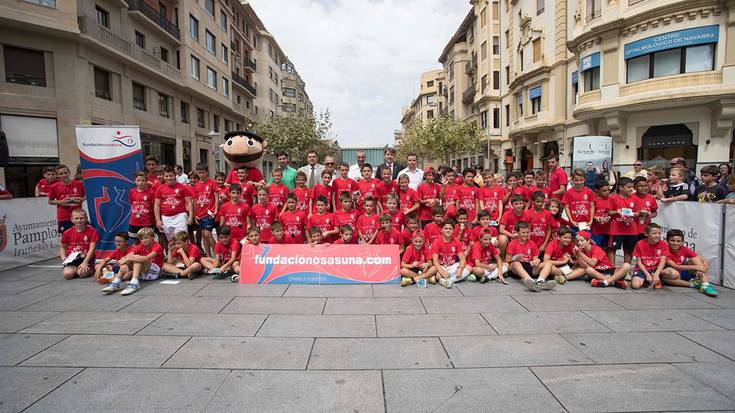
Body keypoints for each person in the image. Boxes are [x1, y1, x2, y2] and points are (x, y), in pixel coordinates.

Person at [102, 227, 163, 295]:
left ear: (152, 237)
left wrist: (127, 259)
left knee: (137, 258)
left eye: (146, 238)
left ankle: (134, 284)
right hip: (144, 272)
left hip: (156, 272)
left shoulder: (157, 246)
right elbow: (127, 256)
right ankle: (116, 282)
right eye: (142, 239)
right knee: (131, 258)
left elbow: (146, 258)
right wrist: (125, 263)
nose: (144, 240)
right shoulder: (141, 246)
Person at [664, 229, 718, 296]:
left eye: (678, 241)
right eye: (672, 240)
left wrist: (701, 268)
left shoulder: (684, 249)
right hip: (672, 275)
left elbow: (703, 260)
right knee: (670, 276)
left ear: (682, 242)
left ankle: (705, 285)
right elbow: (675, 266)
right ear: (667, 241)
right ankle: (694, 284)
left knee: (697, 261)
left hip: (683, 272)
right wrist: (698, 267)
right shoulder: (665, 250)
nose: (675, 243)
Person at [505, 221, 554, 291]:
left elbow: (535, 258)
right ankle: (531, 281)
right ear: (517, 232)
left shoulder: (532, 243)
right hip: (517, 269)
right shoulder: (512, 244)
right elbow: (507, 260)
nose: (526, 234)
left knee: (548, 263)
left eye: (527, 232)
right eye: (523, 233)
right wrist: (514, 258)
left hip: (530, 266)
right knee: (515, 263)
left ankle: (540, 281)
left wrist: (537, 260)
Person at [631, 223, 677, 290]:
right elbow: (639, 262)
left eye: (659, 233)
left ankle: (656, 279)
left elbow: (662, 262)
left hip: (657, 269)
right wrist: (647, 274)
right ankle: (649, 280)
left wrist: (656, 274)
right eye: (654, 233)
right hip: (644, 269)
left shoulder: (663, 244)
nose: (657, 235)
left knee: (675, 274)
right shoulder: (640, 243)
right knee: (635, 286)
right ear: (646, 234)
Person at [59, 209, 98, 280]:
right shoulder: (67, 232)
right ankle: (75, 269)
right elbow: (62, 247)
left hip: (86, 258)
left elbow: (92, 248)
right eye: (76, 218)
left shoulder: (92, 231)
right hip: (72, 259)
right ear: (72, 219)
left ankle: (92, 268)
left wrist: (85, 262)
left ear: (86, 219)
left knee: (82, 274)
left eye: (81, 218)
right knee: (67, 274)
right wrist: (64, 259)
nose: (79, 220)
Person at [432, 219, 470, 288]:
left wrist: (460, 268)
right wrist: (443, 272)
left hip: (452, 266)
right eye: (446, 228)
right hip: (442, 266)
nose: (448, 230)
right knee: (437, 275)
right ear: (442, 230)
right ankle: (452, 279)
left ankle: (450, 280)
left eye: (450, 229)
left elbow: (462, 258)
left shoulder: (457, 242)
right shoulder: (436, 242)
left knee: (469, 267)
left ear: (453, 230)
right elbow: (435, 261)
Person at [608, 177, 638, 264]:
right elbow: (609, 212)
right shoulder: (613, 198)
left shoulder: (634, 199)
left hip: (631, 230)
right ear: (621, 187)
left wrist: (636, 214)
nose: (631, 189)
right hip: (616, 230)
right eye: (629, 187)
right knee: (612, 249)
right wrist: (618, 212)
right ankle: (612, 268)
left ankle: (627, 270)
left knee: (629, 250)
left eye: (632, 187)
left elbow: (637, 212)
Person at [48, 164, 85, 233]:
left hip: (78, 216)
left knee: (82, 236)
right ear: (57, 176)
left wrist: (81, 200)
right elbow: (50, 201)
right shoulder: (54, 187)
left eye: (65, 172)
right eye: (61, 174)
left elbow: (85, 196)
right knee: (66, 238)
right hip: (64, 217)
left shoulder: (78, 184)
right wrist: (62, 202)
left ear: (69, 173)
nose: (64, 175)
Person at [193, 163, 218, 257]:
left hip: (209, 213)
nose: (201, 174)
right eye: (199, 173)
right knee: (203, 235)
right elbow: (195, 201)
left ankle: (218, 255)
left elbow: (216, 197)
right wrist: (195, 215)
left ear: (207, 172)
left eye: (203, 172)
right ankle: (208, 256)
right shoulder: (196, 185)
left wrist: (215, 210)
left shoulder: (212, 183)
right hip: (200, 214)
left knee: (208, 234)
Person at [562, 168, 596, 233]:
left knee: (586, 242)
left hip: (587, 224)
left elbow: (592, 207)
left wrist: (591, 220)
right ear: (572, 180)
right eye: (576, 180)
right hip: (574, 224)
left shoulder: (589, 192)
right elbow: (567, 207)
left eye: (581, 180)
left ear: (584, 179)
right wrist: (571, 220)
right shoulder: (568, 193)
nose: (579, 182)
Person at [591, 180, 614, 263]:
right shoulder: (593, 200)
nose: (607, 192)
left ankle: (605, 264)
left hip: (608, 230)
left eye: (608, 190)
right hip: (596, 230)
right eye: (604, 191)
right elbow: (590, 213)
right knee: (596, 248)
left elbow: (614, 212)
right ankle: (597, 265)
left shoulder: (611, 200)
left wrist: (610, 217)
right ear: (597, 190)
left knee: (607, 248)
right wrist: (595, 218)